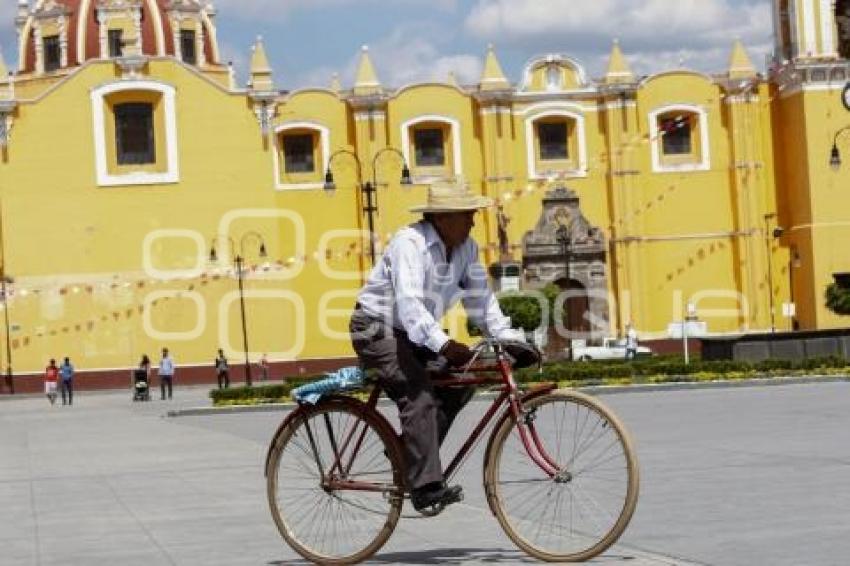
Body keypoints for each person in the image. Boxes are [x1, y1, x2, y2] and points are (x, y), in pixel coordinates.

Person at [349, 179, 525, 515]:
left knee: (460, 383)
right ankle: (426, 486)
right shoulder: (409, 244)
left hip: (414, 333)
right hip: (376, 328)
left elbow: (482, 302)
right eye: (467, 215)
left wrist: (511, 341)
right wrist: (444, 345)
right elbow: (410, 305)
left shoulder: (466, 248)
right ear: (443, 218)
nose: (474, 221)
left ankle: (406, 455)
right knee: (419, 394)